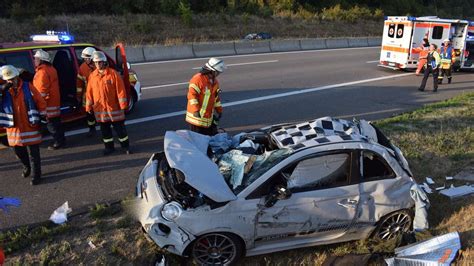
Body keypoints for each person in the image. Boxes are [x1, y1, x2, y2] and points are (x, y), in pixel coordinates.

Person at [0, 65, 47, 185]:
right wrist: (1, 92)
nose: (11, 81)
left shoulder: (28, 87)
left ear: (17, 76)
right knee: (19, 152)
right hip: (14, 129)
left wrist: (42, 118)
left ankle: (36, 175)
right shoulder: (4, 90)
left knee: (34, 154)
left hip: (30, 125)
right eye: (8, 80)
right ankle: (26, 166)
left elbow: (40, 101)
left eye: (12, 78)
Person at [85, 51, 131, 155]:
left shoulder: (113, 74)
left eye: (99, 62)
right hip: (101, 111)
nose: (97, 64)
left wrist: (123, 105)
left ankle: (125, 147)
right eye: (96, 62)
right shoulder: (92, 76)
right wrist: (88, 106)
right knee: (105, 132)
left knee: (120, 130)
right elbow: (89, 93)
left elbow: (120, 91)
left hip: (114, 109)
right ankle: (109, 148)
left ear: (104, 62)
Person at [33, 49, 66, 150]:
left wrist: (38, 104)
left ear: (41, 60)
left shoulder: (42, 72)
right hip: (54, 102)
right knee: (56, 122)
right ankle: (61, 139)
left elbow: (42, 91)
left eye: (36, 58)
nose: (34, 60)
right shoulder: (51, 69)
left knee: (51, 124)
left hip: (47, 104)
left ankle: (57, 142)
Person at [185, 57, 226, 136]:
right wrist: (195, 110)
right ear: (212, 71)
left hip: (207, 120)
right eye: (218, 72)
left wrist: (219, 110)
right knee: (198, 143)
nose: (218, 74)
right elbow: (192, 95)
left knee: (208, 141)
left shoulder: (214, 82)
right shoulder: (198, 79)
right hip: (196, 120)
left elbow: (215, 98)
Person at [76, 47, 97, 137]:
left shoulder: (99, 65)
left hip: (99, 94)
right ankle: (92, 128)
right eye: (84, 58)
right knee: (89, 113)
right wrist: (79, 96)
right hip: (88, 95)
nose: (85, 60)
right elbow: (79, 83)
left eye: (87, 58)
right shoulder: (82, 67)